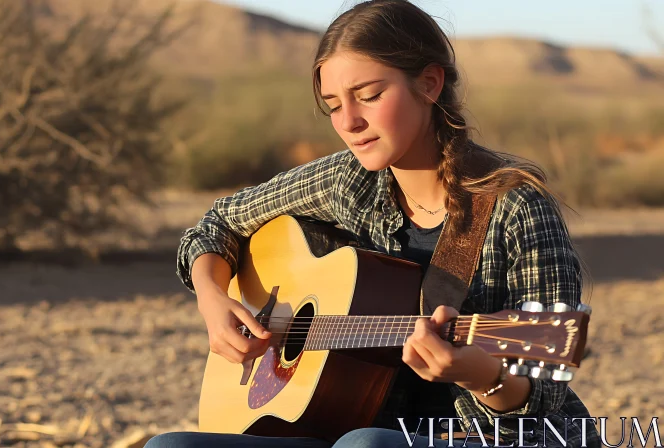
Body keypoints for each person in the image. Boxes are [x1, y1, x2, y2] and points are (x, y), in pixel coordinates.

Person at [145, 1, 601, 446]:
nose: (349, 122)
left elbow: (542, 394)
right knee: (170, 446)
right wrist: (211, 298)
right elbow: (218, 224)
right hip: (344, 419)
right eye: (332, 105)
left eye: (369, 96)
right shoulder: (348, 180)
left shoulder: (515, 207)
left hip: (494, 437)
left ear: (429, 83)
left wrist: (477, 374)